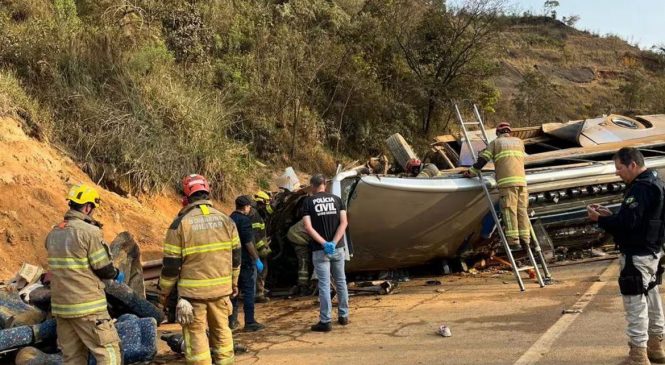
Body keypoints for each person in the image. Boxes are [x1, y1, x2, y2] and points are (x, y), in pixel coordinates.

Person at [588, 147, 665, 365]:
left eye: (619, 168)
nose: (617, 173)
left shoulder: (640, 189)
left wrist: (600, 220)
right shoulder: (657, 182)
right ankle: (655, 347)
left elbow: (627, 225)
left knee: (635, 304)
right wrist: (613, 216)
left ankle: (638, 355)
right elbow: (639, 219)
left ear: (632, 164)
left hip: (636, 255)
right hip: (652, 252)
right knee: (652, 299)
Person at [159, 174, 241, 365]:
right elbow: (236, 257)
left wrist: (164, 293)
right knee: (222, 333)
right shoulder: (226, 221)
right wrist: (234, 282)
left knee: (196, 338)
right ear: (208, 194)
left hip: (192, 296)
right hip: (221, 292)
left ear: (185, 198)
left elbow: (171, 266)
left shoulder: (179, 224)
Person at [45, 183, 123, 365]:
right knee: (108, 353)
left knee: (72, 358)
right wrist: (115, 273)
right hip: (88, 307)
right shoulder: (89, 232)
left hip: (62, 308)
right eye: (92, 208)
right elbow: (103, 268)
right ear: (88, 207)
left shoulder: (54, 232)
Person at [464, 121, 530, 251]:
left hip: (507, 183)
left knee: (509, 210)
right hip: (522, 182)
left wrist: (471, 172)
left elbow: (483, 160)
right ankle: (526, 240)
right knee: (522, 210)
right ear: (509, 131)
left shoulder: (495, 143)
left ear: (498, 133)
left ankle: (514, 241)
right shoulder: (519, 142)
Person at [303, 174, 349, 332]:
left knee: (324, 285)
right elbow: (344, 223)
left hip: (319, 250)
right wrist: (334, 243)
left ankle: (326, 321)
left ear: (313, 186)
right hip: (338, 248)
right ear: (325, 185)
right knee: (341, 281)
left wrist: (324, 243)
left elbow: (308, 227)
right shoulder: (337, 200)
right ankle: (344, 316)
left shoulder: (308, 202)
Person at [229, 195, 265, 332]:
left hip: (232, 262)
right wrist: (256, 259)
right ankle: (250, 321)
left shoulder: (229, 219)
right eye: (249, 206)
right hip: (246, 261)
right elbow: (248, 242)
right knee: (249, 291)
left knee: (233, 291)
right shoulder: (245, 221)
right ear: (246, 207)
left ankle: (232, 321)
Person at [248, 195, 271, 303]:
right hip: (257, 249)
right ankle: (259, 293)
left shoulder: (254, 214)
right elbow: (255, 235)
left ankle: (259, 290)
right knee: (261, 270)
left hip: (255, 247)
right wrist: (262, 247)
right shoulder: (254, 216)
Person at [287, 218, 313, 296]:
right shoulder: (317, 219)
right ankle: (303, 287)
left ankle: (303, 286)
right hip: (297, 237)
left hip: (296, 234)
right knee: (304, 261)